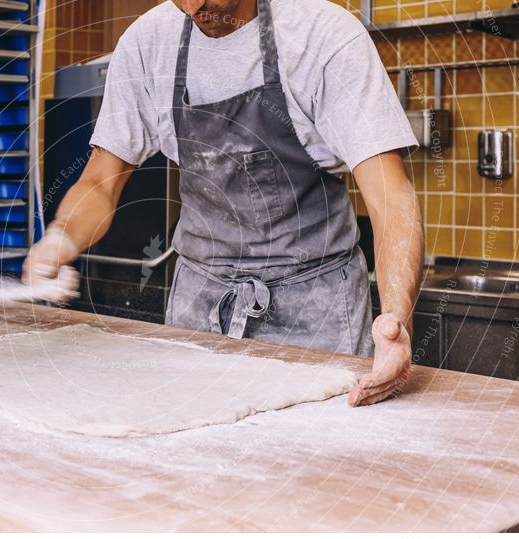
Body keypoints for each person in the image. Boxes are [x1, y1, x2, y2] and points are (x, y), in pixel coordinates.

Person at [24, 0, 424, 407]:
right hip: (198, 309)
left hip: (316, 316)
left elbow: (390, 197)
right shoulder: (148, 45)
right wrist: (61, 237)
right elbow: (100, 181)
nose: (194, 6)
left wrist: (395, 320)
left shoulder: (321, 36)